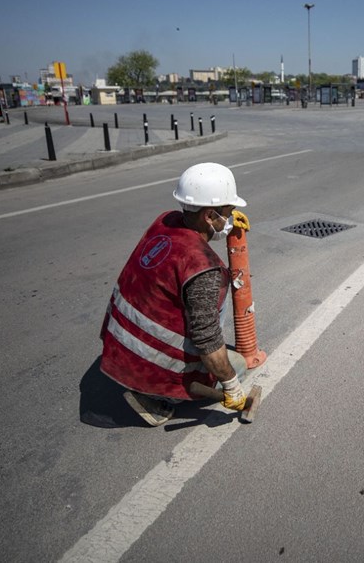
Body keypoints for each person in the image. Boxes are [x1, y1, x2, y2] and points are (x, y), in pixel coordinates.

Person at [99, 162, 251, 426]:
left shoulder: (165, 221)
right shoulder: (202, 268)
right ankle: (155, 395)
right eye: (227, 213)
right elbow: (207, 340)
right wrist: (231, 385)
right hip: (148, 362)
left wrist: (226, 224)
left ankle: (148, 383)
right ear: (209, 215)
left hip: (118, 343)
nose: (229, 219)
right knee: (236, 366)